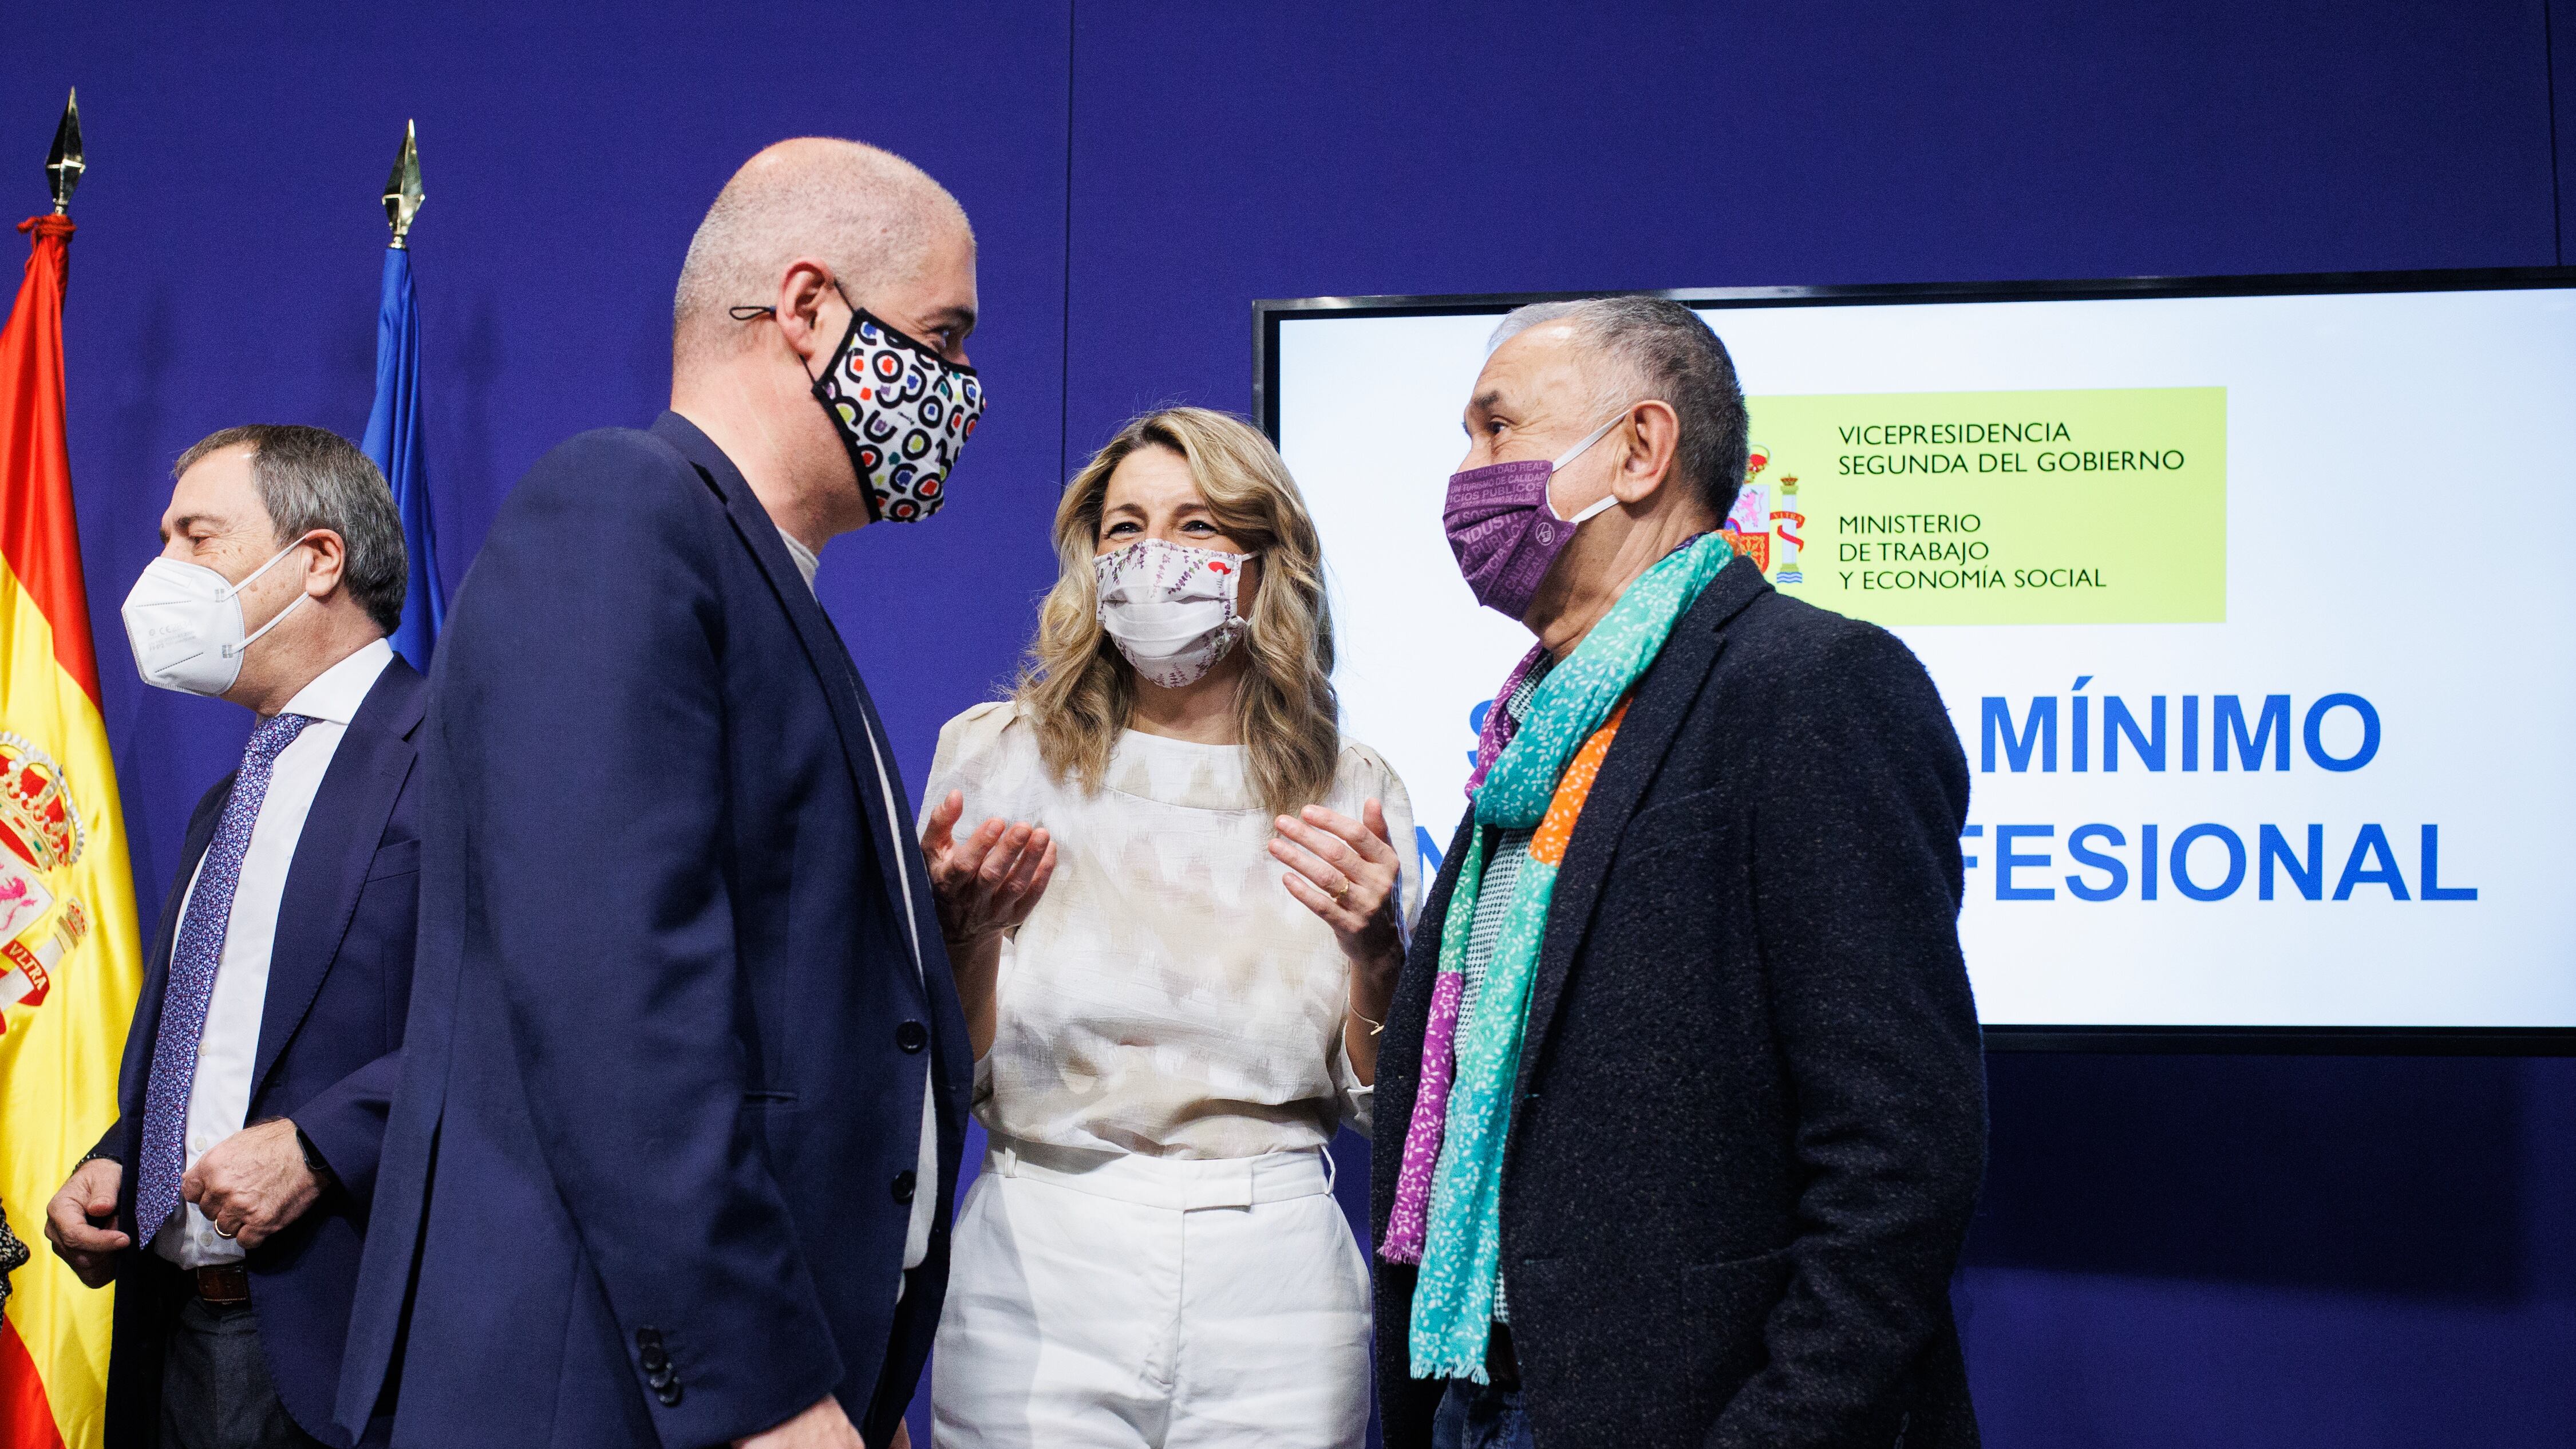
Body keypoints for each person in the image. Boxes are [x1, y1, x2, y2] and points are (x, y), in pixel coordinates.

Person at [333, 139, 982, 1449]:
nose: (962, 393)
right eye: (944, 339)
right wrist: (762, 1391)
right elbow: (614, 989)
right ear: (810, 311)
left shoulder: (760, 574)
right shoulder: (622, 509)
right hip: (608, 1393)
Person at [1369, 298, 1986, 1449]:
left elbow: (1899, 1150)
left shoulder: (1813, 687)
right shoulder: (1535, 733)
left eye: (1498, 429)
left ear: (1641, 449)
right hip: (1477, 1392)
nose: (1466, 476)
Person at [919, 406, 1416, 1449]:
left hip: (1276, 1279)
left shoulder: (1350, 788)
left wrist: (1379, 956)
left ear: (1265, 562)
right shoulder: (996, 760)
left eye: (1197, 526)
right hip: (1041, 1254)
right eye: (1125, 529)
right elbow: (942, 1076)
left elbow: (1382, 1106)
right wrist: (961, 936)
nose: (1156, 556)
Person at [44, 425, 426, 1449]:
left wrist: (322, 1145)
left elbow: (524, 1014)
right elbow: (217, 1044)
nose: (160, 572)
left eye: (196, 538)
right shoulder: (230, 797)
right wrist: (120, 1157)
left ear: (318, 559)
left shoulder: (455, 757)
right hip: (172, 1331)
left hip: (347, 1350)